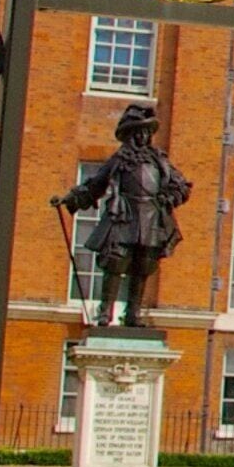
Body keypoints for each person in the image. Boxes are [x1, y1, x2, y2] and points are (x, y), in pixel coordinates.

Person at [52, 103, 191, 329]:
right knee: (116, 262)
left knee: (143, 265)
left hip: (151, 217)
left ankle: (133, 314)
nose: (143, 136)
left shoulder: (159, 161)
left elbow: (181, 185)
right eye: (138, 131)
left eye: (146, 131)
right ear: (129, 134)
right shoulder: (119, 161)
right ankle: (105, 313)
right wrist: (70, 199)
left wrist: (171, 197)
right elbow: (95, 185)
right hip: (124, 215)